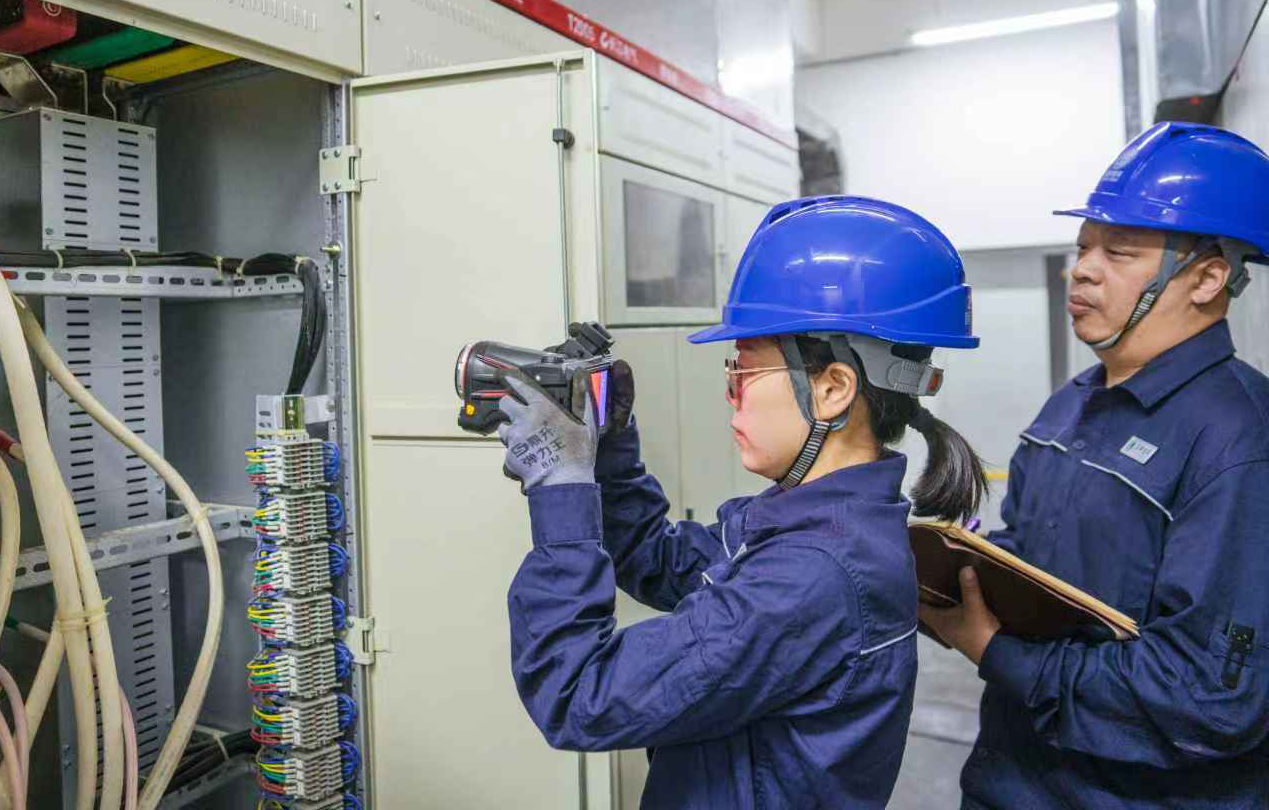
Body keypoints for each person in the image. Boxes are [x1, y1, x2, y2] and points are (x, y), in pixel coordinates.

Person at [495, 195, 988, 808]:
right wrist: (609, 446)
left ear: (833, 389)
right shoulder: (815, 526)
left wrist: (560, 489)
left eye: (744, 374)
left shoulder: (812, 575)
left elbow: (580, 695)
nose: (731, 395)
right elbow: (657, 559)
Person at [919, 122, 1269, 810]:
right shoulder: (1071, 404)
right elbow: (1034, 556)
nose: (1080, 269)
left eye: (1119, 251)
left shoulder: (1240, 443)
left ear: (1206, 278)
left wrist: (994, 650)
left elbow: (1210, 699)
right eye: (1082, 247)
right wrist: (949, 576)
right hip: (1007, 781)